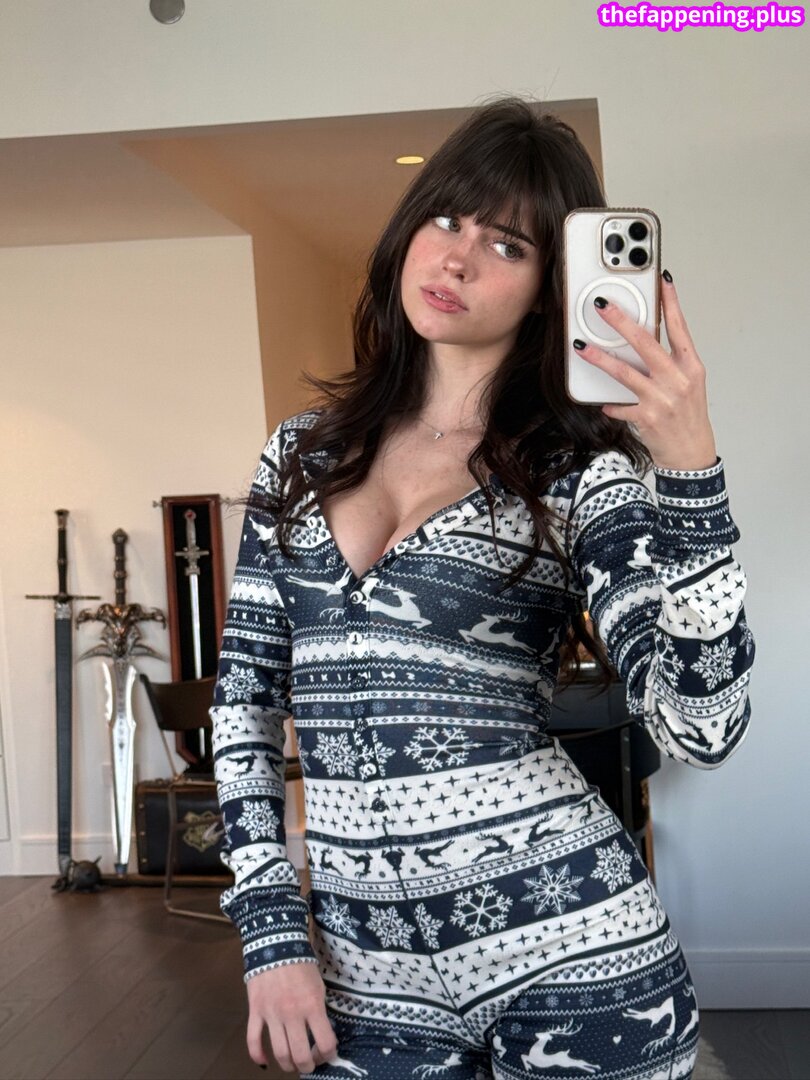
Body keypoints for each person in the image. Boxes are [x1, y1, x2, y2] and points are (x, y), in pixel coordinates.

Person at [210, 97, 755, 1080]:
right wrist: (271, 932)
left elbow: (701, 730)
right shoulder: (299, 454)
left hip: (576, 962)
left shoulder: (577, 476)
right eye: (446, 217)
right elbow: (244, 702)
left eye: (507, 245)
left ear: (550, 289)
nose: (457, 259)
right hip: (364, 980)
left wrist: (692, 475)